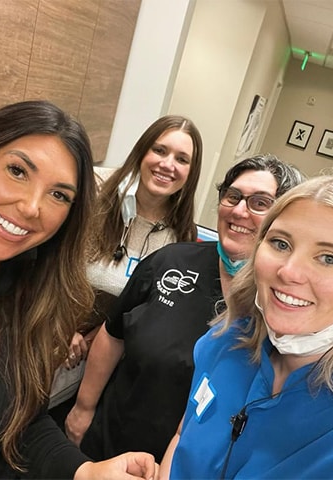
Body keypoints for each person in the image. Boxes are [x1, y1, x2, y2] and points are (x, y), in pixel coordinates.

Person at [63, 154, 305, 462]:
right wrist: (83, 409)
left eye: (260, 202)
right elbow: (113, 334)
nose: (239, 210)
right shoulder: (171, 262)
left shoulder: (286, 301)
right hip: (110, 442)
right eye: (233, 196)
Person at [0, 99, 157, 480]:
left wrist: (86, 471)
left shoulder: (26, 296)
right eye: (17, 171)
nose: (31, 207)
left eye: (58, 195)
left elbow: (20, 421)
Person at [158, 174, 333, 479]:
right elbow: (183, 436)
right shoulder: (225, 341)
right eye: (280, 243)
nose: (289, 271)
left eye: (329, 258)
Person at [48, 114, 204, 412]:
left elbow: (152, 313)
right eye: (160, 150)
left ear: (191, 172)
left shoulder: (182, 236)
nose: (168, 164)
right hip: (44, 328)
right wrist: (61, 326)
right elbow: (49, 261)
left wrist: (104, 333)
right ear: (142, 151)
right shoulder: (93, 190)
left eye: (182, 159)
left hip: (95, 366)